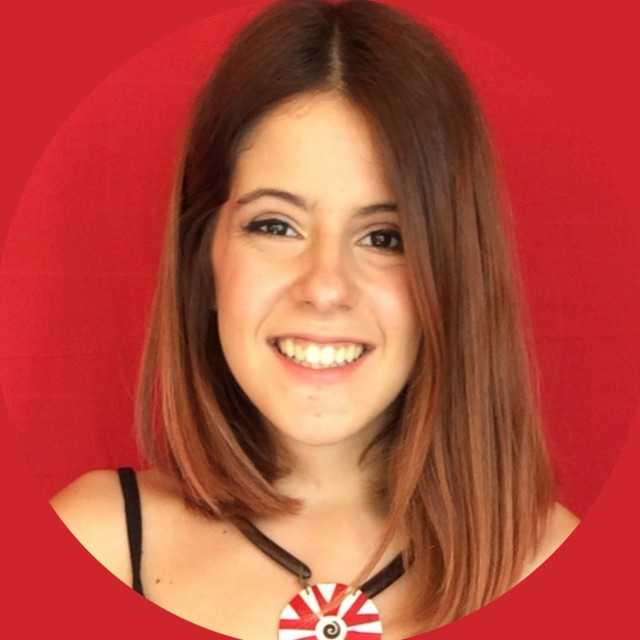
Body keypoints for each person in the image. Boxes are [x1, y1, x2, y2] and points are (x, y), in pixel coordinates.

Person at [49, 1, 580, 638]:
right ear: (203, 263)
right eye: (276, 226)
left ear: (453, 280)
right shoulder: (90, 546)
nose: (326, 288)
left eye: (385, 237)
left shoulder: (558, 566)